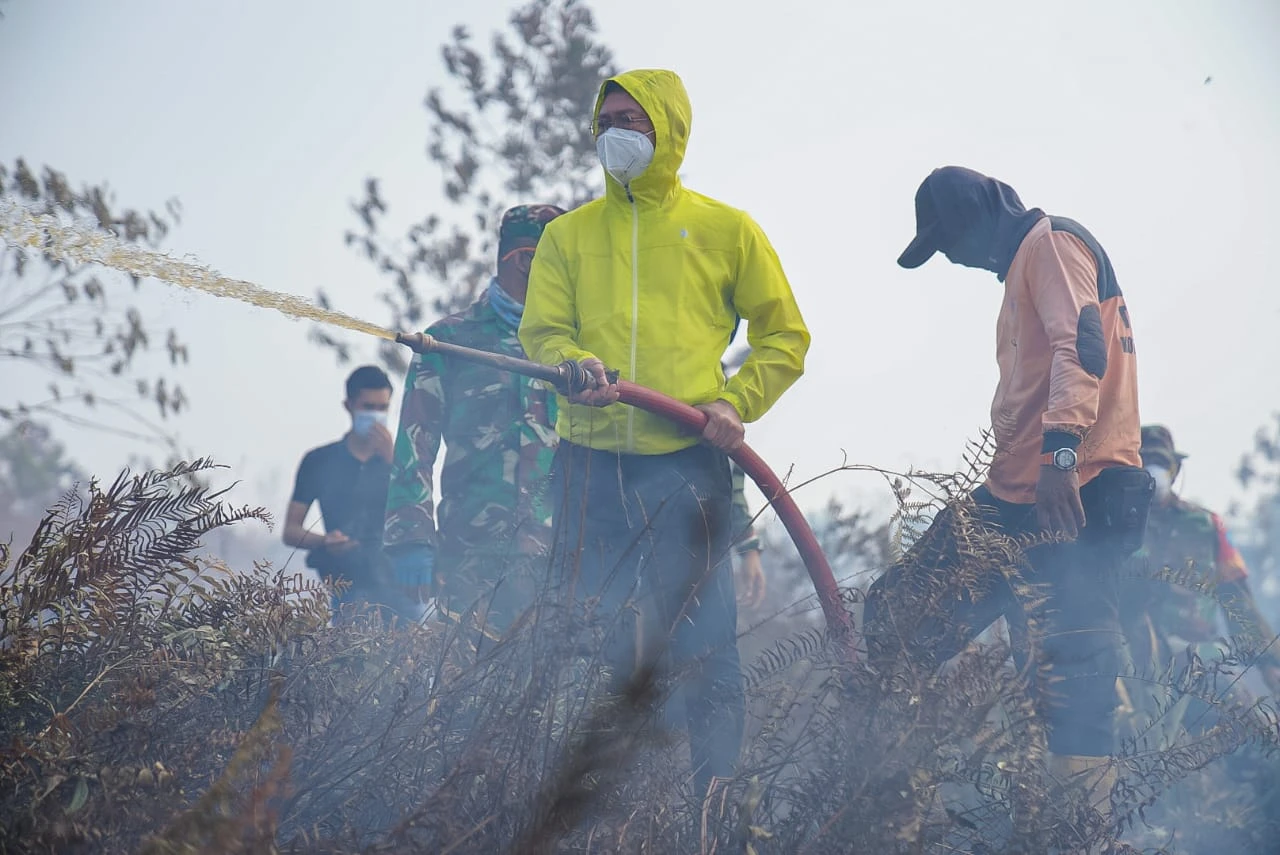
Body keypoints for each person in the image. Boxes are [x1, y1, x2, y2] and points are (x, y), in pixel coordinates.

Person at [518, 68, 811, 798]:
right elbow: (543, 330)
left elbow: (786, 338)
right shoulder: (567, 235)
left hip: (688, 467)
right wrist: (569, 361)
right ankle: (585, 808)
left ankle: (713, 808)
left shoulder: (726, 230)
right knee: (585, 640)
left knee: (707, 645)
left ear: (669, 129)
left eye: (631, 119)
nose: (612, 133)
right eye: (604, 120)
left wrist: (736, 401)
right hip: (590, 467)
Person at [864, 166, 1153, 818]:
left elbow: (1077, 345)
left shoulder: (1048, 244)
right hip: (1037, 492)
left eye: (949, 241)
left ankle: (1068, 831)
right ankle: (903, 811)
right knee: (903, 619)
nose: (953, 257)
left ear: (980, 217)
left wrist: (1059, 452)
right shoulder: (1035, 258)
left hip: (1061, 496)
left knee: (1066, 676)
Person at [382, 204, 565, 638]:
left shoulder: (578, 348)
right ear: (525, 259)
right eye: (562, 260)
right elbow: (415, 443)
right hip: (470, 557)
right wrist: (411, 538)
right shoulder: (449, 340)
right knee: (466, 692)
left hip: (562, 559)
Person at [1120, 424, 1280, 720]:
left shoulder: (1205, 526)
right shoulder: (1115, 526)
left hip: (1201, 655)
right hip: (1132, 659)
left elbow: (1237, 601)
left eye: (1161, 463)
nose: (1153, 470)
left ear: (1175, 469)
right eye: (1145, 461)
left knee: (1252, 726)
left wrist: (1269, 662)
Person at [285, 365, 414, 621]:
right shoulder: (320, 461)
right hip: (348, 588)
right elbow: (291, 530)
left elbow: (418, 513)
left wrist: (392, 462)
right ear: (349, 405)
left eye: (382, 408)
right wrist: (325, 541)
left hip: (401, 587)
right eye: (368, 407)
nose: (376, 415)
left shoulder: (403, 460)